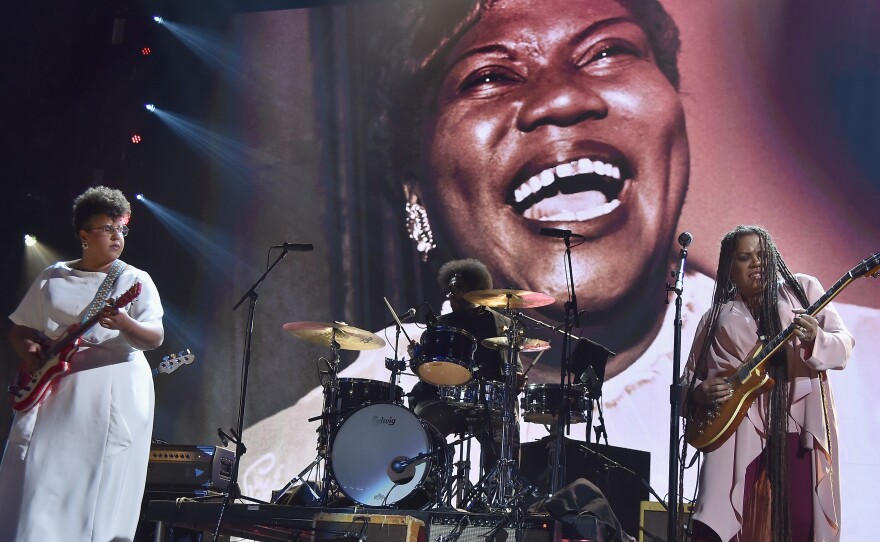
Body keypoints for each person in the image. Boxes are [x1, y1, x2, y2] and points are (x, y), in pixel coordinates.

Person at [0, 186, 164, 541]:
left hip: (112, 384)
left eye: (121, 229)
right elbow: (21, 329)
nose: (117, 236)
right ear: (84, 235)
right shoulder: (53, 275)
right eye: (107, 228)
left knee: (98, 477)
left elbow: (154, 337)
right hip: (55, 385)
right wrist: (30, 351)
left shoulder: (133, 280)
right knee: (41, 472)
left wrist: (125, 323)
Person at [682, 225, 854, 542]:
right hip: (735, 425)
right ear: (729, 269)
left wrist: (816, 337)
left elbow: (843, 346)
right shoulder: (715, 316)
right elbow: (688, 379)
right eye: (745, 258)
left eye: (762, 255)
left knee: (801, 521)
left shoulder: (802, 291)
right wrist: (699, 391)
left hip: (793, 422)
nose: (757, 263)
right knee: (713, 523)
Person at [408, 258, 524, 473]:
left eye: (457, 289)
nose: (451, 294)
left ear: (476, 290)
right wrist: (417, 359)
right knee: (424, 429)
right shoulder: (441, 324)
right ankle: (429, 488)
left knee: (503, 438)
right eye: (449, 290)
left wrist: (516, 377)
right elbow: (427, 372)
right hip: (446, 401)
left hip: (488, 402)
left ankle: (493, 496)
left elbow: (514, 364)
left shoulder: (502, 324)